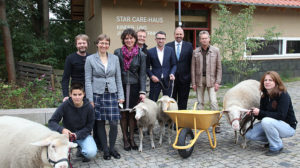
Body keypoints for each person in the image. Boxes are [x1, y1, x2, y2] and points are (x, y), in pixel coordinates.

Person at [85, 34, 124, 160]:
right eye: (101, 43)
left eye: (106, 43)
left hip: (112, 94)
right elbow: (87, 80)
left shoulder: (114, 58)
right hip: (97, 94)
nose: (104, 45)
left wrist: (121, 95)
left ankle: (112, 148)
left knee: (113, 123)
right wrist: (90, 99)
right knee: (100, 123)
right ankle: (105, 150)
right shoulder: (90, 59)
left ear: (108, 45)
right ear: (97, 44)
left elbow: (118, 78)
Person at [245, 71, 297, 156]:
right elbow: (261, 115)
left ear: (276, 82)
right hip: (271, 123)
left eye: (270, 80)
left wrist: (260, 112)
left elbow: (281, 115)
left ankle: (276, 146)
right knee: (249, 135)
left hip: (287, 127)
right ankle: (274, 139)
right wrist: (253, 113)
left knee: (266, 121)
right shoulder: (264, 96)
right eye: (265, 80)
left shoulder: (283, 95)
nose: (267, 82)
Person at [114, 28, 147, 151]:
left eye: (131, 38)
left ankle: (132, 138)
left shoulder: (141, 55)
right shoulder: (117, 53)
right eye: (126, 38)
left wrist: (142, 91)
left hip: (134, 87)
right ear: (123, 39)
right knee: (123, 114)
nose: (129, 40)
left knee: (132, 114)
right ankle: (125, 139)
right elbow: (116, 72)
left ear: (135, 39)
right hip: (121, 86)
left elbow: (143, 74)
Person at [48, 83, 97, 162]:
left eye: (79, 94)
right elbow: (51, 122)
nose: (77, 97)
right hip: (66, 136)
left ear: (83, 94)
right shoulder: (64, 105)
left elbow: (89, 127)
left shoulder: (89, 107)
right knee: (60, 156)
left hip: (83, 135)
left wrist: (77, 135)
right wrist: (62, 129)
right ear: (70, 94)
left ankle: (81, 149)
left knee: (91, 153)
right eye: (74, 94)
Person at [191, 30, 222, 132]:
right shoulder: (195, 52)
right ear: (200, 40)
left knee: (213, 102)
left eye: (206, 38)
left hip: (212, 80)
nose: (204, 40)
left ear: (209, 39)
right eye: (202, 38)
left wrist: (218, 82)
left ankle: (216, 124)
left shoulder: (216, 50)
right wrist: (193, 83)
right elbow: (193, 68)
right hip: (199, 80)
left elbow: (219, 68)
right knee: (200, 102)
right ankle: (201, 123)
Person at [166, 27, 193, 110]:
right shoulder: (168, 46)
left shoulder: (189, 46)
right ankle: (172, 121)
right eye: (177, 34)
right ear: (174, 35)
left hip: (185, 78)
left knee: (183, 101)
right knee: (171, 101)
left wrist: (191, 77)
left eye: (180, 34)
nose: (179, 36)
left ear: (183, 35)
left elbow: (191, 62)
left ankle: (181, 121)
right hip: (172, 79)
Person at [147, 31, 177, 102]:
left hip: (167, 80)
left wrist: (172, 73)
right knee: (152, 101)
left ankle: (165, 113)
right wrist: (151, 76)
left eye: (163, 39)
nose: (161, 40)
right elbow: (147, 67)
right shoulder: (150, 51)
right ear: (155, 39)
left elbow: (174, 64)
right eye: (159, 38)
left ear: (165, 39)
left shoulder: (170, 50)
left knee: (167, 103)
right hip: (155, 81)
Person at [61, 34, 90, 102]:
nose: (82, 45)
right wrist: (66, 95)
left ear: (87, 44)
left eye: (84, 43)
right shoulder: (70, 58)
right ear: (76, 45)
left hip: (90, 92)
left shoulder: (91, 57)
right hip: (76, 92)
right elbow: (65, 78)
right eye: (79, 43)